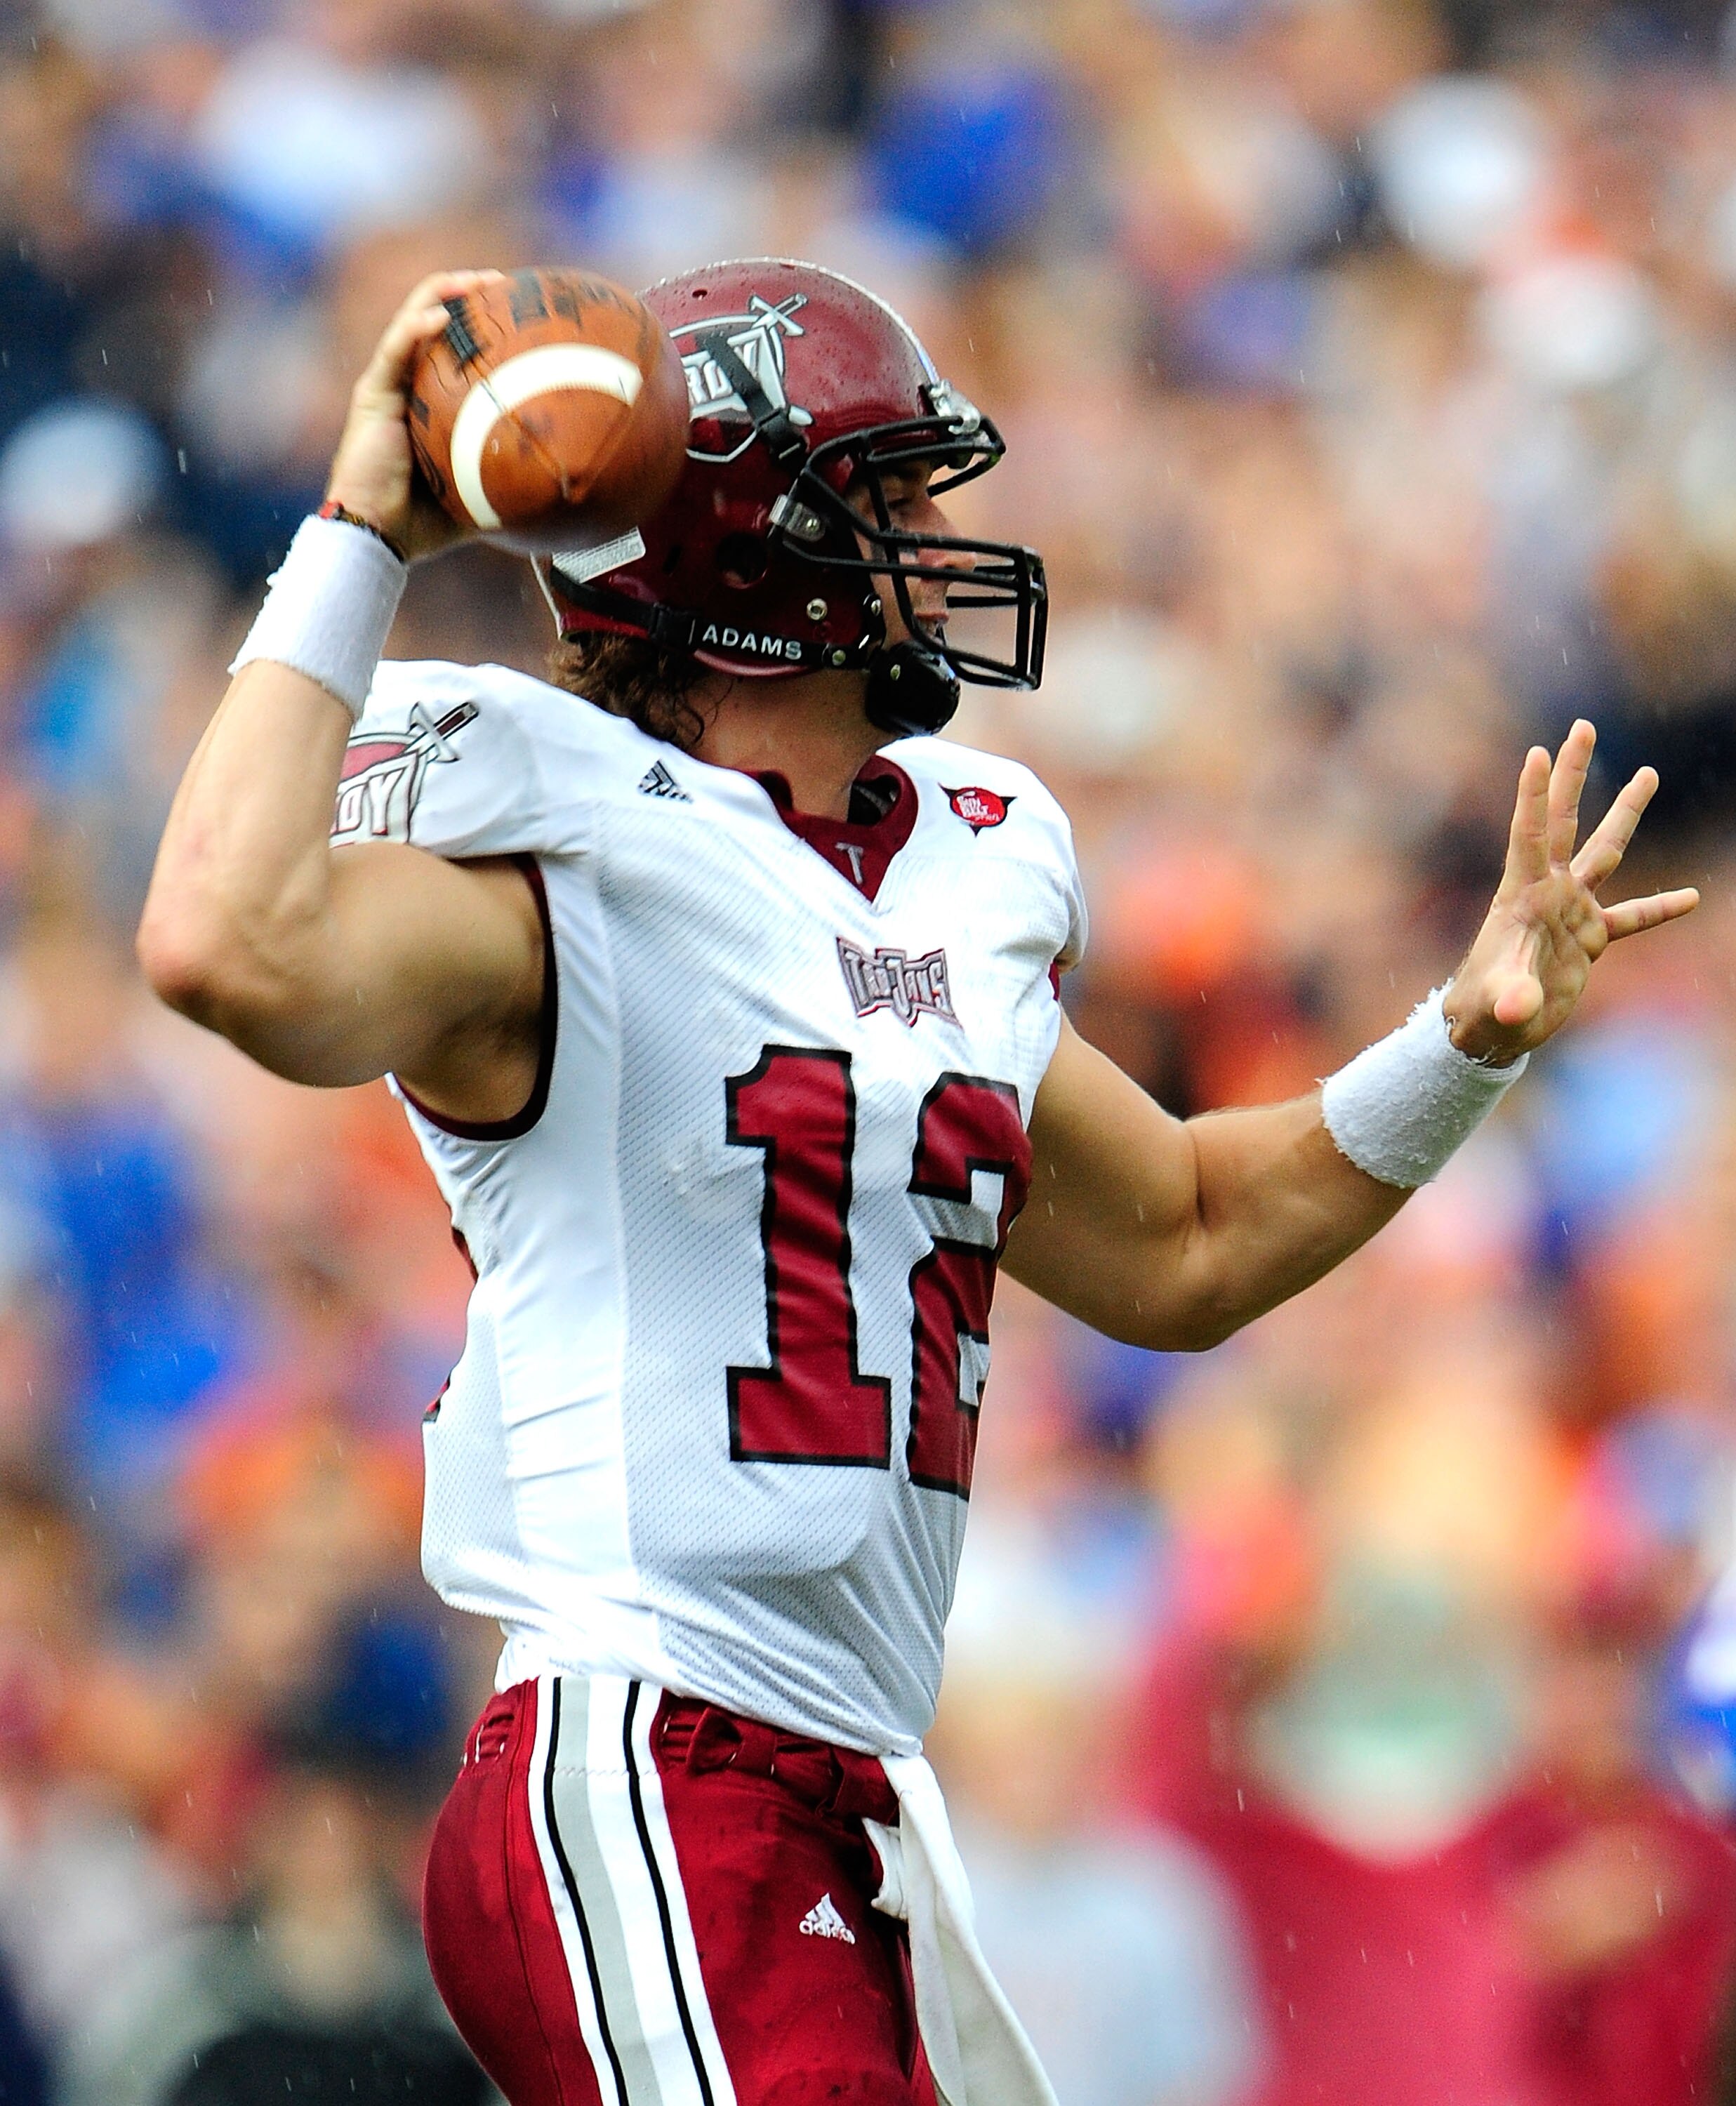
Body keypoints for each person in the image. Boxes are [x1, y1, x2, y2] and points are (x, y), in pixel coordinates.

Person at [138, 258, 1697, 2106]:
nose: (937, 538)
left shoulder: (957, 871)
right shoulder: (553, 871)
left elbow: (1190, 1241)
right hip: (642, 1746)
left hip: (844, 1790)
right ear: (734, 559)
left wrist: (1466, 1038)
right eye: (880, 500)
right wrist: (357, 533)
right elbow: (221, 944)